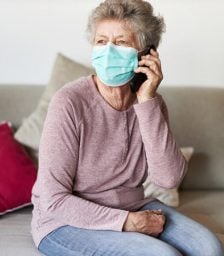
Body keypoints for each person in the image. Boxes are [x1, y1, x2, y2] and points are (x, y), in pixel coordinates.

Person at [31, 0, 224, 255]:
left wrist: (146, 101)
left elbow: (168, 179)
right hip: (65, 221)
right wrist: (127, 222)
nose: (108, 51)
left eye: (121, 42)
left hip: (133, 206)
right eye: (101, 41)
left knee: (210, 248)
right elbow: (53, 199)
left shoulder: (151, 103)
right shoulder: (69, 102)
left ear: (145, 54)